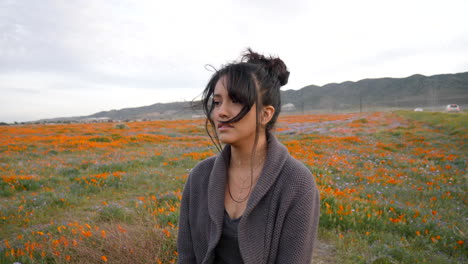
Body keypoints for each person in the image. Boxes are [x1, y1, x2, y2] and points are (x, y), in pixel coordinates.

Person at [177, 49, 320, 264]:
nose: (221, 112)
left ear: (265, 114)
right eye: (217, 102)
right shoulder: (199, 177)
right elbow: (186, 258)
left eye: (236, 100)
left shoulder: (296, 183)